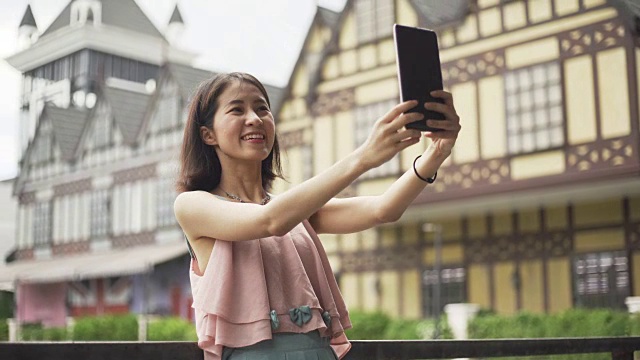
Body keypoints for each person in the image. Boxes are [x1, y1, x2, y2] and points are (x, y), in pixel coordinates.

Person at [174, 72, 461, 360]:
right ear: (207, 134)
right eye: (237, 109)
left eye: (262, 108)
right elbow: (270, 221)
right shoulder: (193, 205)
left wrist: (437, 152)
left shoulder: (294, 210)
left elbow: (383, 209)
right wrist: (363, 157)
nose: (255, 118)